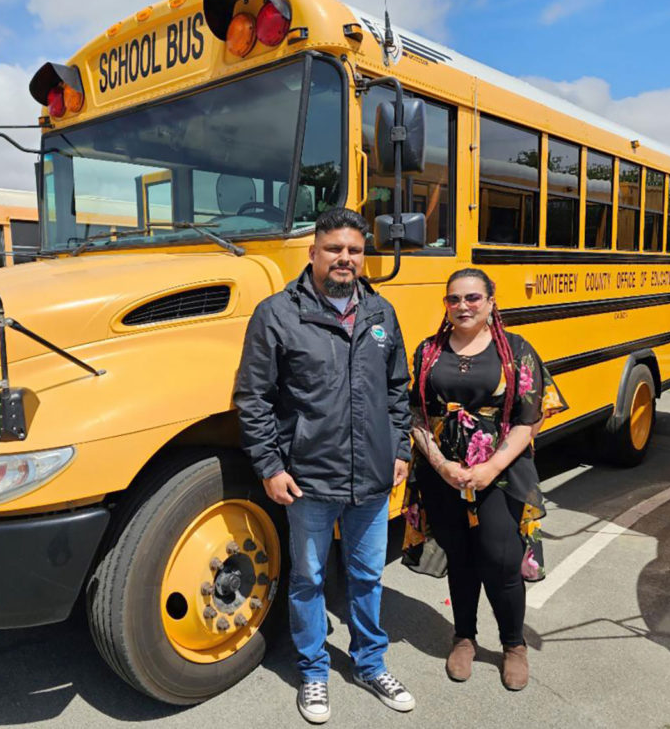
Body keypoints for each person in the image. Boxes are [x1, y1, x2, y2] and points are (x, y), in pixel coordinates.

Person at [234, 207, 414, 723]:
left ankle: (369, 662)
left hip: (373, 479)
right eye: (334, 248)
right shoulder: (278, 314)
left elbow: (397, 389)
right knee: (309, 580)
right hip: (309, 480)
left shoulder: (381, 313)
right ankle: (313, 672)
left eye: (354, 250)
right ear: (313, 253)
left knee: (365, 576)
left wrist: (399, 448)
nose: (345, 258)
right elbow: (253, 398)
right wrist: (270, 465)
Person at [408, 268, 566, 691]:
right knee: (459, 557)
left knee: (500, 558)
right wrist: (441, 465)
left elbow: (527, 419)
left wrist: (491, 467)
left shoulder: (516, 351)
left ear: (491, 302)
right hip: (444, 473)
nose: (463, 306)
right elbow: (417, 416)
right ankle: (464, 638)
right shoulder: (427, 352)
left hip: (500, 474)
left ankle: (513, 645)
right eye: (454, 299)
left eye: (473, 298)